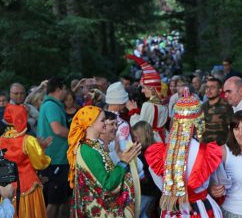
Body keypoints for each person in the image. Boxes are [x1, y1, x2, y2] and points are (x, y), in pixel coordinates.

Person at [145, 88, 223, 217]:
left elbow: (158, 179)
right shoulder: (208, 151)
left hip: (173, 209)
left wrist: (171, 192)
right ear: (198, 121)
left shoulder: (161, 152)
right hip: (201, 208)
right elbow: (220, 181)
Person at [67, 105, 142, 217]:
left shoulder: (93, 146)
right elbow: (107, 184)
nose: (105, 124)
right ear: (91, 123)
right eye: (102, 121)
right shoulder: (87, 150)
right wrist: (123, 162)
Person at [0, 104, 52, 218]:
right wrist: (42, 150)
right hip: (28, 186)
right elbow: (40, 164)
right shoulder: (28, 141)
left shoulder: (1, 140)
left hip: (6, 189)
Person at [37, 77, 70, 218]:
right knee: (54, 202)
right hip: (54, 160)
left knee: (60, 201)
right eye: (65, 89)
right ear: (59, 89)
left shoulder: (52, 104)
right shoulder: (51, 105)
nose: (67, 93)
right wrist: (78, 135)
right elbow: (57, 129)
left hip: (57, 159)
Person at [126, 54, 169, 143]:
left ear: (152, 89)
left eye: (144, 88)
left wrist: (133, 112)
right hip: (164, 139)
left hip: (152, 141)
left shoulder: (148, 105)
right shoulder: (164, 104)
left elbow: (140, 128)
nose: (142, 91)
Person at [132, 121, 161, 218]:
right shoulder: (155, 147)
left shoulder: (146, 153)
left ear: (142, 136)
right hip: (153, 190)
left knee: (140, 213)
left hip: (147, 190)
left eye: (136, 137)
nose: (134, 140)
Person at [202, 77, 233, 146]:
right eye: (207, 87)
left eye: (212, 88)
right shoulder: (203, 106)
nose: (208, 90)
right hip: (205, 147)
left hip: (221, 148)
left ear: (220, 90)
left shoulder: (226, 106)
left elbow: (232, 128)